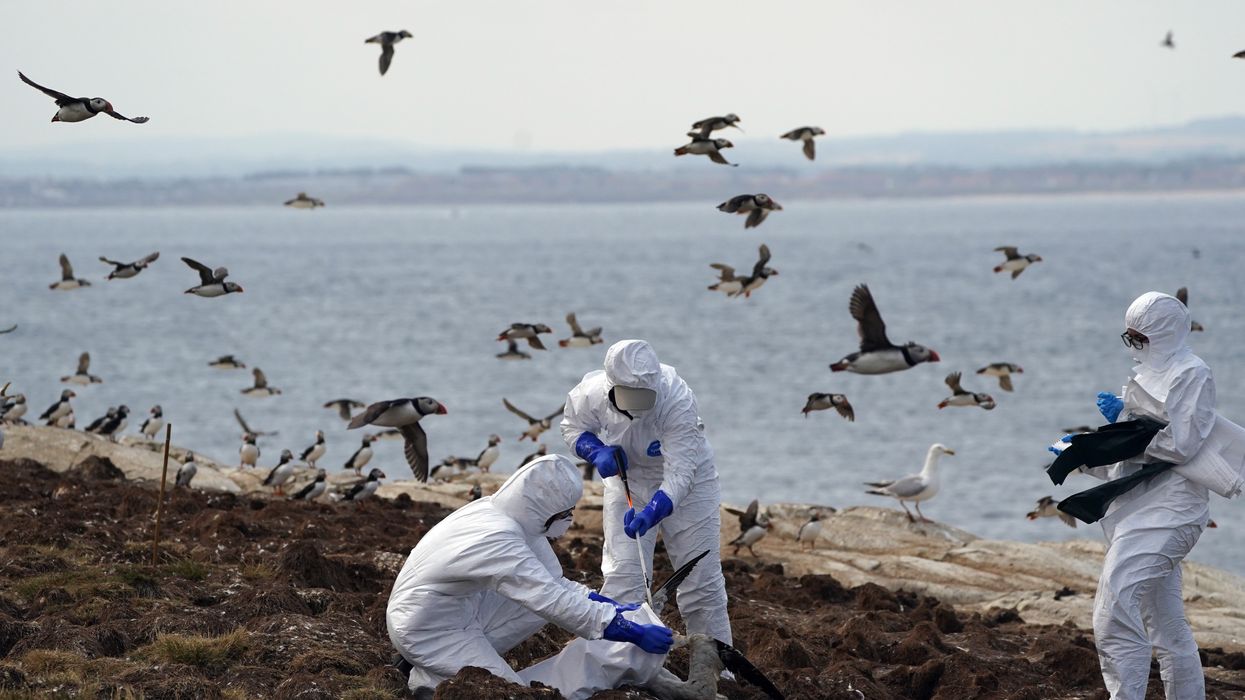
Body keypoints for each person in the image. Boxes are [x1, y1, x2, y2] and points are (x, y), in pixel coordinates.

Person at [385, 454, 674, 695]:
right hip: (426, 629)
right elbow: (550, 599)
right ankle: (429, 673)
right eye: (566, 513)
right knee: (504, 690)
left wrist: (613, 607)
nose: (569, 520)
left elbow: (555, 583)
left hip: (455, 608)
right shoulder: (498, 538)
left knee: (537, 607)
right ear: (545, 507)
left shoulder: (513, 516)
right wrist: (630, 631)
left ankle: (429, 679)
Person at [561, 339, 732, 644]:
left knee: (701, 581)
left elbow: (681, 472)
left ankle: (717, 664)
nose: (638, 405)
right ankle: (615, 663)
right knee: (623, 577)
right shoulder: (590, 393)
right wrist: (595, 451)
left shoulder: (676, 398)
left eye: (644, 397)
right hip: (627, 480)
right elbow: (572, 427)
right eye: (629, 396)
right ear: (611, 386)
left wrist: (655, 509)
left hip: (691, 484)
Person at [1086, 291, 1214, 699]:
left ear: (1163, 332)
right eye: (1129, 338)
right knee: (1166, 623)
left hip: (1172, 511)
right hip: (1141, 508)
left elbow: (1181, 445)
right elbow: (1140, 451)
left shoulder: (1192, 373)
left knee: (1113, 612)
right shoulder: (1145, 374)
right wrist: (1087, 454)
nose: (1134, 346)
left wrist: (1125, 420)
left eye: (1139, 337)